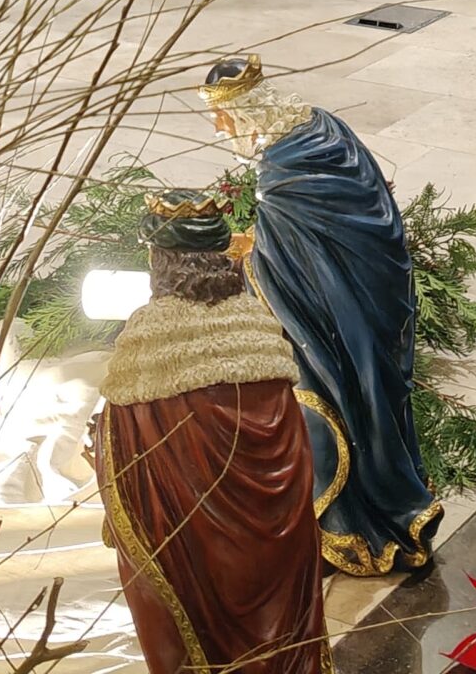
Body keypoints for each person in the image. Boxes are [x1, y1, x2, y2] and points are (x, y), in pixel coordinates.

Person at [206, 56, 441, 576]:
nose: (221, 130)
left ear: (246, 114)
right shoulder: (322, 126)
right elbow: (341, 232)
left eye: (223, 120)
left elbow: (288, 268)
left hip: (330, 321)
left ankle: (350, 526)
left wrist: (238, 255)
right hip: (372, 294)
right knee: (375, 401)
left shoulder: (286, 170)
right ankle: (393, 508)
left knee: (332, 401)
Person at [93, 190, 325, 674]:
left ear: (160, 261)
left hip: (198, 553)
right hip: (275, 541)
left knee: (200, 627)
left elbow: (133, 467)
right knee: (277, 623)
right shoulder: (258, 329)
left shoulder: (149, 345)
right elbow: (291, 447)